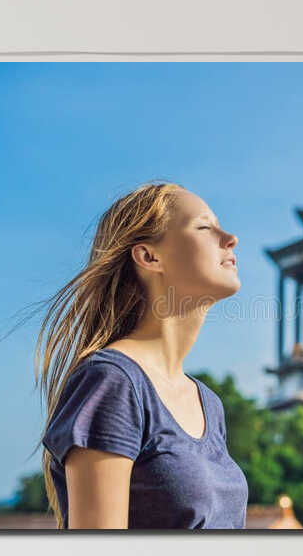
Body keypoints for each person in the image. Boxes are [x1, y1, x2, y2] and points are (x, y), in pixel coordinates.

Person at [36, 182, 250, 529]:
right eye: (204, 227)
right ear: (150, 257)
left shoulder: (208, 403)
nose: (230, 238)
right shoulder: (112, 382)